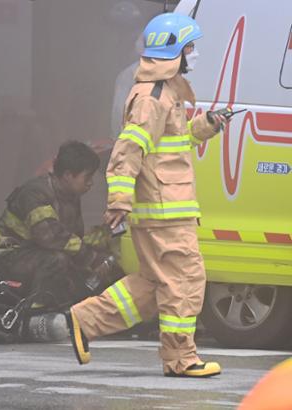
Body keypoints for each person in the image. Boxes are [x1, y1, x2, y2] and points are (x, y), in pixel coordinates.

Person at [67, 13, 228, 378]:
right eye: (191, 47)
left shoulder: (166, 93)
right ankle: (181, 358)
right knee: (185, 280)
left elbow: (169, 146)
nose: (195, 53)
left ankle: (86, 319)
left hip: (166, 207)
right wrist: (119, 201)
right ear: (175, 51)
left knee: (156, 283)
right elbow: (129, 148)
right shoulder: (152, 96)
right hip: (163, 210)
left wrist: (204, 128)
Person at [0, 140, 104, 307]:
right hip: (9, 256)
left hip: (38, 252)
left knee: (78, 275)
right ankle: (37, 313)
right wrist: (91, 258)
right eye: (88, 177)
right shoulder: (35, 193)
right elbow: (50, 237)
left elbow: (72, 238)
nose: (91, 183)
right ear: (68, 175)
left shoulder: (71, 196)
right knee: (57, 260)